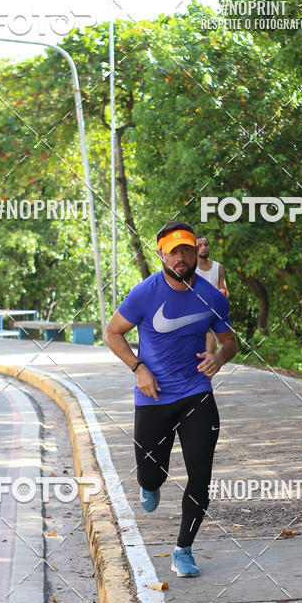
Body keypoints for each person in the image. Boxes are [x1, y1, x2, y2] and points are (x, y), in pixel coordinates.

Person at [104, 221, 237, 578]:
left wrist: (218, 359)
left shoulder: (210, 297)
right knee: (152, 472)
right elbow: (112, 333)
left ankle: (183, 549)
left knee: (200, 474)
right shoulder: (144, 294)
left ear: (197, 253)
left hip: (196, 393)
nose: (182, 257)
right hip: (153, 397)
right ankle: (150, 484)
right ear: (161, 253)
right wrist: (138, 368)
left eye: (188, 250)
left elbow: (230, 342)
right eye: (174, 251)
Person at [195, 235, 228, 355]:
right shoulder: (190, 269)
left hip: (213, 313)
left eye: (206, 244)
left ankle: (207, 372)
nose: (204, 248)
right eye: (199, 245)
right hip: (193, 312)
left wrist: (222, 294)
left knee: (211, 337)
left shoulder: (217, 267)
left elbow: (224, 292)